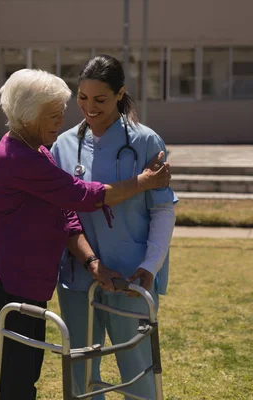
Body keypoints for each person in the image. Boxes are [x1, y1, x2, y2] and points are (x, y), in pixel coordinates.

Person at [0, 68, 172, 400]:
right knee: (15, 384)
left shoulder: (37, 150)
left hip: (30, 283)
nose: (60, 122)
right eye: (52, 116)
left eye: (60, 114)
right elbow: (82, 195)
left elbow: (66, 214)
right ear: (28, 115)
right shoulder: (18, 157)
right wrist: (142, 182)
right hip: (10, 283)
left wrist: (92, 261)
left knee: (23, 378)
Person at [52, 55, 179, 399]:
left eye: (100, 99)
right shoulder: (63, 146)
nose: (89, 107)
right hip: (79, 277)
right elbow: (63, 215)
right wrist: (91, 262)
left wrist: (149, 267)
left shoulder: (146, 142)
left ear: (121, 93)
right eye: (82, 97)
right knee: (80, 370)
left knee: (137, 369)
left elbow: (164, 209)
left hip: (131, 278)